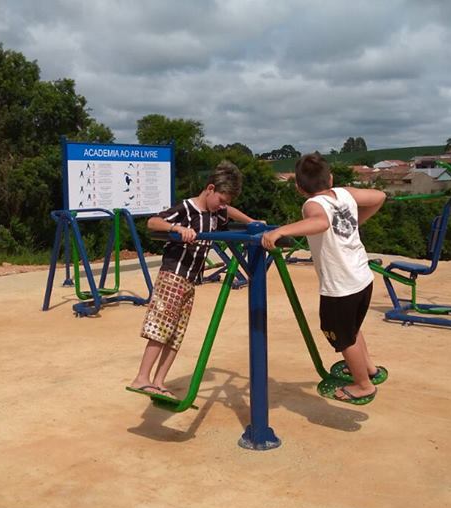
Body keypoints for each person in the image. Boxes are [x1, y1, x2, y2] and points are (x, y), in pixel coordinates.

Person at [261, 153, 387, 405]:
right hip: (362, 277)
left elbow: (320, 222)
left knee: (342, 337)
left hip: (340, 286)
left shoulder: (313, 204)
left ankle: (363, 385)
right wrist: (355, 222)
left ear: (299, 188)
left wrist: (280, 231)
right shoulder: (344, 193)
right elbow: (379, 197)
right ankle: (368, 369)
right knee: (352, 328)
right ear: (330, 178)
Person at [128, 160, 256, 399]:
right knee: (161, 327)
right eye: (221, 200)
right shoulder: (187, 208)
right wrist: (177, 229)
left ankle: (159, 381)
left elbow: (229, 211)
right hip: (172, 276)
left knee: (176, 333)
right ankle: (142, 378)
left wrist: (251, 222)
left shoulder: (215, 212)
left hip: (190, 280)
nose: (223, 206)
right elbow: (153, 222)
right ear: (210, 189)